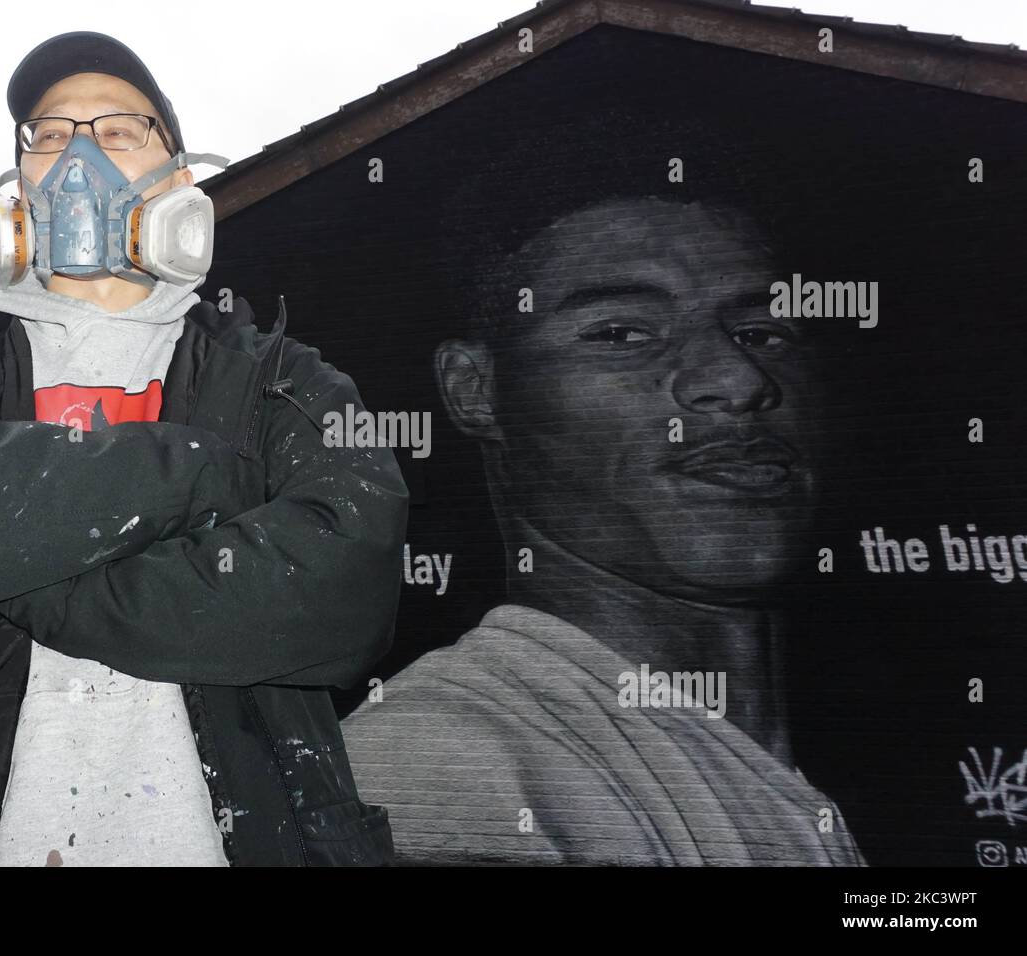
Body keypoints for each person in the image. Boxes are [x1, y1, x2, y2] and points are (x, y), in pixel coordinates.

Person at [0, 31, 408, 867]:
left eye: (118, 132)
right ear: (18, 186)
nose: (79, 156)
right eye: (50, 135)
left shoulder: (280, 380)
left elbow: (345, 586)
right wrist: (202, 473)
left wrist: (5, 553)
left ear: (179, 184)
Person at [342, 193, 864, 866]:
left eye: (764, 333)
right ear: (475, 390)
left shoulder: (847, 763)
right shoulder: (446, 763)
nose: (737, 380)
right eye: (621, 334)